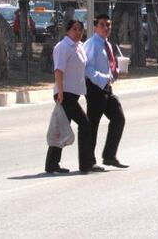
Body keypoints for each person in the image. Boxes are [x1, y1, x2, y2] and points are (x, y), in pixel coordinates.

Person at [44, 18, 92, 174]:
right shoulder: (63, 47)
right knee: (84, 124)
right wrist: (60, 92)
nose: (78, 33)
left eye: (80, 30)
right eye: (74, 29)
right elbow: (58, 70)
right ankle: (86, 164)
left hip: (74, 93)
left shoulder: (79, 47)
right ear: (67, 31)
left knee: (61, 128)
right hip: (65, 94)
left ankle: (51, 164)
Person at [84, 13, 128, 170]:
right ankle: (88, 161)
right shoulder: (92, 44)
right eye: (102, 25)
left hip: (106, 89)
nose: (106, 28)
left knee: (118, 118)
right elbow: (87, 68)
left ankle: (109, 156)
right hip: (95, 88)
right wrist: (103, 79)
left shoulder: (107, 44)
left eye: (108, 25)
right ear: (95, 27)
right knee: (92, 125)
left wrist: (116, 72)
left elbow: (109, 65)